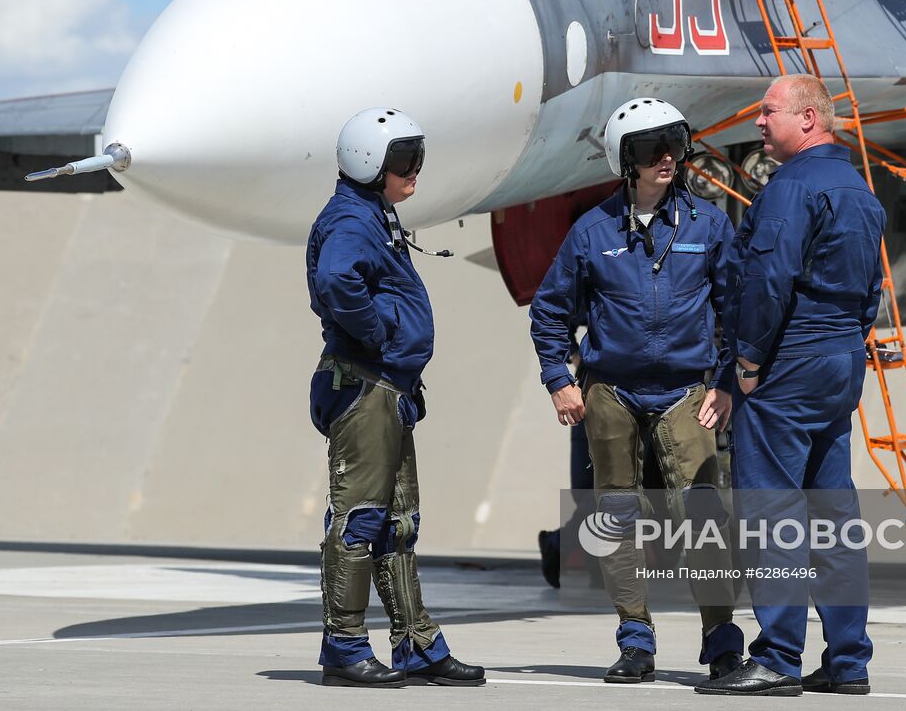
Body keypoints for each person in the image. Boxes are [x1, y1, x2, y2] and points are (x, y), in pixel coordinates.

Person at [529, 97, 745, 685]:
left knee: (702, 514)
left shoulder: (709, 223)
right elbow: (549, 312)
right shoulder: (591, 232)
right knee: (615, 517)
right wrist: (558, 380)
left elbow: (738, 309)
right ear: (625, 161)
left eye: (674, 144)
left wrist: (726, 385)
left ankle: (723, 640)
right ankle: (635, 639)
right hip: (611, 393)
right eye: (652, 150)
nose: (668, 159)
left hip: (685, 390)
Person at [696, 75, 883, 697]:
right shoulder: (858, 190)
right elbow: (871, 288)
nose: (757, 122)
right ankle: (849, 660)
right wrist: (847, 343)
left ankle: (777, 657)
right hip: (840, 360)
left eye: (768, 111)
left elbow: (767, 281)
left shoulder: (792, 188)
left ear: (808, 118)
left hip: (790, 362)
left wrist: (746, 362)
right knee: (834, 513)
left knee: (772, 513)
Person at [306, 107, 485, 688]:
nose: (416, 172)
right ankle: (344, 646)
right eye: (405, 162)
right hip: (365, 387)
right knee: (359, 520)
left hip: (388, 388)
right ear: (369, 165)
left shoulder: (373, 213)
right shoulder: (353, 222)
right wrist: (380, 334)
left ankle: (417, 645)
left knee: (397, 524)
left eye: (417, 158)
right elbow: (337, 280)